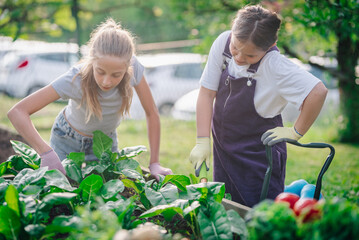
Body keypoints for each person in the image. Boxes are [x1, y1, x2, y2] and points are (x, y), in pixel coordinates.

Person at [189, 5, 328, 207]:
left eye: (250, 55)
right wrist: (202, 140)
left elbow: (318, 92)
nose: (238, 57)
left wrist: (296, 131)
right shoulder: (223, 43)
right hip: (223, 147)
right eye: (236, 48)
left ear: (271, 44)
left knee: (258, 212)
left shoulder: (275, 65)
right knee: (227, 206)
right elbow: (206, 92)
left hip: (259, 155)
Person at [7, 18, 173, 179]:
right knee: (61, 196)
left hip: (104, 142)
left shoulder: (134, 67)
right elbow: (17, 112)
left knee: (106, 199)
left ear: (128, 66)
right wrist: (45, 152)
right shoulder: (75, 79)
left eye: (116, 75)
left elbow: (152, 113)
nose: (107, 81)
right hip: (67, 139)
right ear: (92, 60)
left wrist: (155, 163)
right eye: (100, 71)